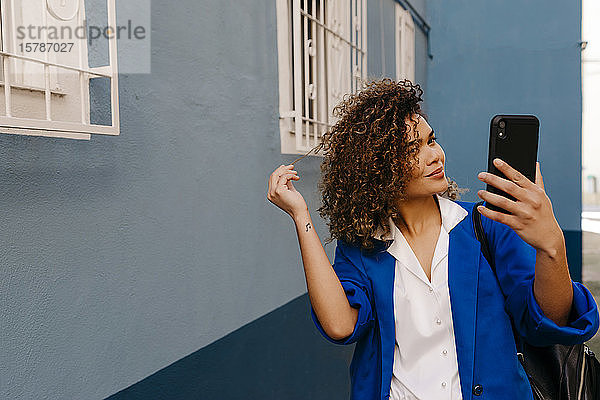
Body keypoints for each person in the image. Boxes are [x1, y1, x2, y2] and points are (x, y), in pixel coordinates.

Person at [266, 78, 599, 400]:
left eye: (431, 140)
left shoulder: (485, 227)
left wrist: (551, 245)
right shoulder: (361, 248)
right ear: (378, 169)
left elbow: (548, 321)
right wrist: (300, 216)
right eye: (414, 149)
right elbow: (340, 326)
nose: (434, 155)